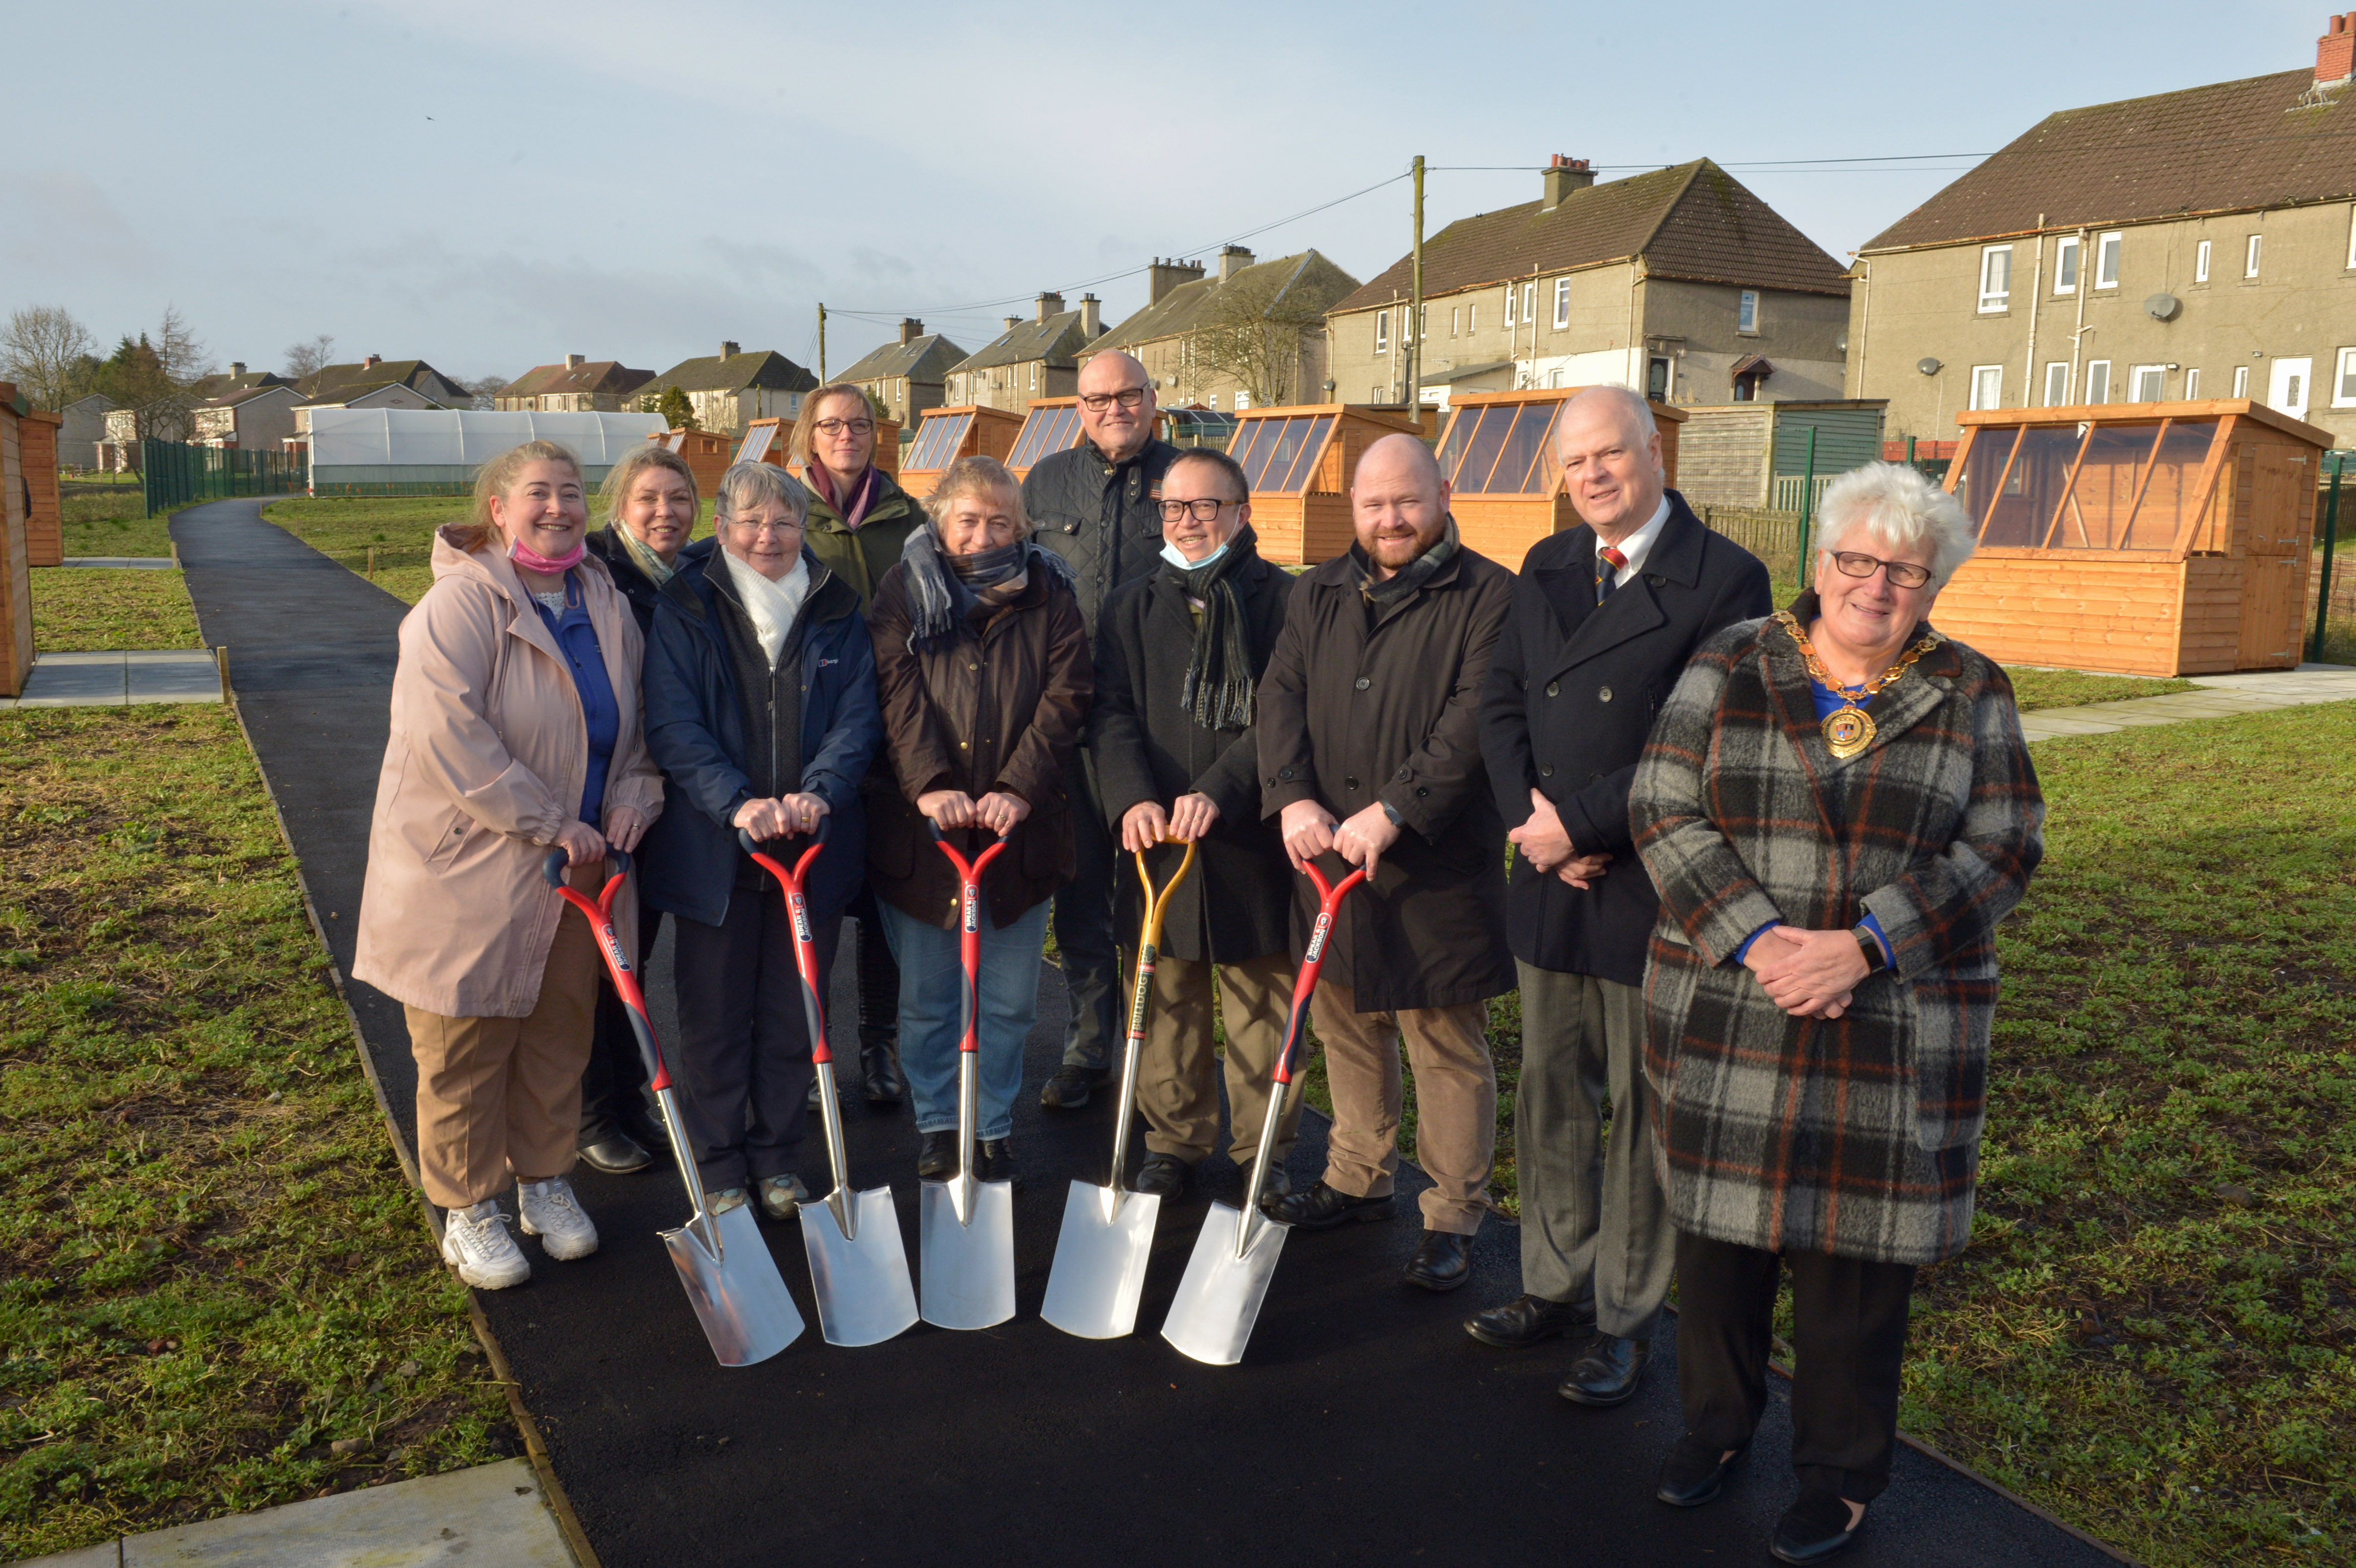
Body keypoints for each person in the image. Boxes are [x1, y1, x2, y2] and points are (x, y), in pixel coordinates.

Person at [1630, 462, 2043, 1564]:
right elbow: (1659, 805)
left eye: (1905, 571)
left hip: (1890, 1019)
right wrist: (1765, 942)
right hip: (1736, 1001)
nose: (1877, 586)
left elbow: (2005, 846)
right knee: (1719, 1250)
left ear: (1933, 584)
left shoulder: (1972, 687)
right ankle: (1715, 1430)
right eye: (1858, 561)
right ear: (1820, 564)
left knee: (1855, 1272)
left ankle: (1841, 1477)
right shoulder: (1731, 659)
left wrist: (1868, 945)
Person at [1466, 386, 1774, 1406]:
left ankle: (1626, 1315)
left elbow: (1701, 743)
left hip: (1651, 883)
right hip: (1552, 877)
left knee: (1645, 1113)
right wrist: (1531, 825)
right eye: (1575, 461)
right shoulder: (1548, 564)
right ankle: (1550, 1281)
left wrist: (1581, 827)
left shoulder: (1725, 579)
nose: (1592, 474)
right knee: (1554, 1092)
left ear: (1656, 452)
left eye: (1611, 454)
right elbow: (1502, 699)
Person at [354, 440, 664, 1289]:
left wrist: (637, 792)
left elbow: (634, 730)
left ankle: (544, 1181)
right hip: (472, 865)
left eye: (571, 493)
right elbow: (453, 742)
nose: (558, 507)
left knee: (558, 1035)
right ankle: (468, 1205)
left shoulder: (603, 599)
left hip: (579, 870)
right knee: (465, 1040)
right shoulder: (457, 606)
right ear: (498, 508)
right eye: (538, 493)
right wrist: (551, 820)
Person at [1257, 433, 1515, 1291]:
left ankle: (1451, 1213)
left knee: (1441, 1040)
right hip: (1326, 850)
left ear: (1444, 492)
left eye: (1407, 501)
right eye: (1374, 505)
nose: (1391, 518)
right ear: (1354, 509)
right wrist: (1293, 793)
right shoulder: (1318, 592)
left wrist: (1397, 808)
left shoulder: (1490, 595)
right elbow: (1281, 695)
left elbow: (1473, 720)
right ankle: (1358, 1175)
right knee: (1345, 1021)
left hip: (1433, 865)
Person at [638, 462, 881, 1218]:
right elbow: (674, 724)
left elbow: (859, 717)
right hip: (718, 850)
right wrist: (736, 804)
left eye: (783, 523)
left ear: (805, 529)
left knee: (793, 1011)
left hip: (810, 849)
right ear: (724, 526)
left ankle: (778, 1159)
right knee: (713, 1016)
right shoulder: (686, 603)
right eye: (750, 522)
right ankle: (718, 1164)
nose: (767, 537)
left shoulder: (837, 602)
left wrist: (821, 791)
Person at [867, 455, 1089, 1183]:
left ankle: (990, 1121)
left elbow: (1066, 696)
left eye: (1000, 521)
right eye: (968, 520)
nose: (983, 533)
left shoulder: (1051, 591)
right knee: (928, 998)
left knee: (1008, 999)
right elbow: (896, 696)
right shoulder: (904, 589)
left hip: (1017, 834)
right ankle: (937, 1122)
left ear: (1022, 527)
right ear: (941, 522)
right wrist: (929, 785)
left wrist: (1019, 787)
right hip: (926, 835)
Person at [1087, 448, 1298, 1200]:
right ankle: (1174, 1138)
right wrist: (1131, 798)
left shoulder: (1285, 601)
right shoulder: (1129, 605)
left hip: (1249, 833)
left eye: (1205, 507)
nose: (1187, 521)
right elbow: (1106, 713)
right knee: (1166, 997)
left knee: (1259, 1001)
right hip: (1156, 837)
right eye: (1174, 508)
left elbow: (1285, 712)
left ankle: (1260, 1148)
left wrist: (1221, 787)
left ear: (1243, 511)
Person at [1022, 350, 1179, 1110]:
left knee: (1158, 899)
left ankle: (1158, 1066)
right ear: (1077, 406)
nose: (1113, 408)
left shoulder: (1188, 478)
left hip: (1164, 725)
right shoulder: (1046, 482)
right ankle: (1089, 1051)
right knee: (1082, 892)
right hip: (1069, 724)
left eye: (1128, 394)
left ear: (1153, 399)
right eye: (1097, 398)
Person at [574, 442, 714, 1174]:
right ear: (620, 507)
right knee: (601, 965)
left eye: (679, 499)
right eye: (649, 499)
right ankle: (593, 1114)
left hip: (661, 795)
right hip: (605, 794)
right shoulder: (597, 575)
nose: (666, 512)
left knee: (636, 955)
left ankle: (628, 1102)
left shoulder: (693, 576)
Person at [792, 383, 926, 1106]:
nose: (847, 434)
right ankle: (817, 1047)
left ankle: (881, 1044)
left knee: (885, 904)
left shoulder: (909, 518)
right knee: (816, 898)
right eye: (831, 423)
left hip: (898, 740)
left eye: (860, 423)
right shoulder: (788, 511)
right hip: (820, 739)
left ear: (878, 434)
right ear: (810, 435)